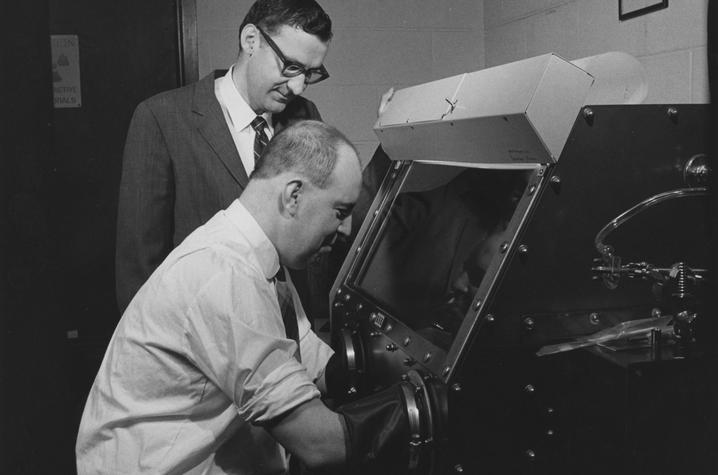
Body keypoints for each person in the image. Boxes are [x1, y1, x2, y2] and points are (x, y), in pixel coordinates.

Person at [77, 121, 411, 474]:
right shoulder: (224, 274)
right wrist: (417, 407)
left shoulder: (254, 258)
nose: (345, 230)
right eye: (340, 211)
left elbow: (311, 365)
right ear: (293, 195)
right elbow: (319, 443)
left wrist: (389, 362)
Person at [115, 0, 334, 314]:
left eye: (310, 73)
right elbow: (138, 265)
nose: (298, 87)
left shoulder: (305, 117)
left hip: (285, 335)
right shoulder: (162, 118)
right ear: (251, 41)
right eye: (292, 66)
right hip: (203, 341)